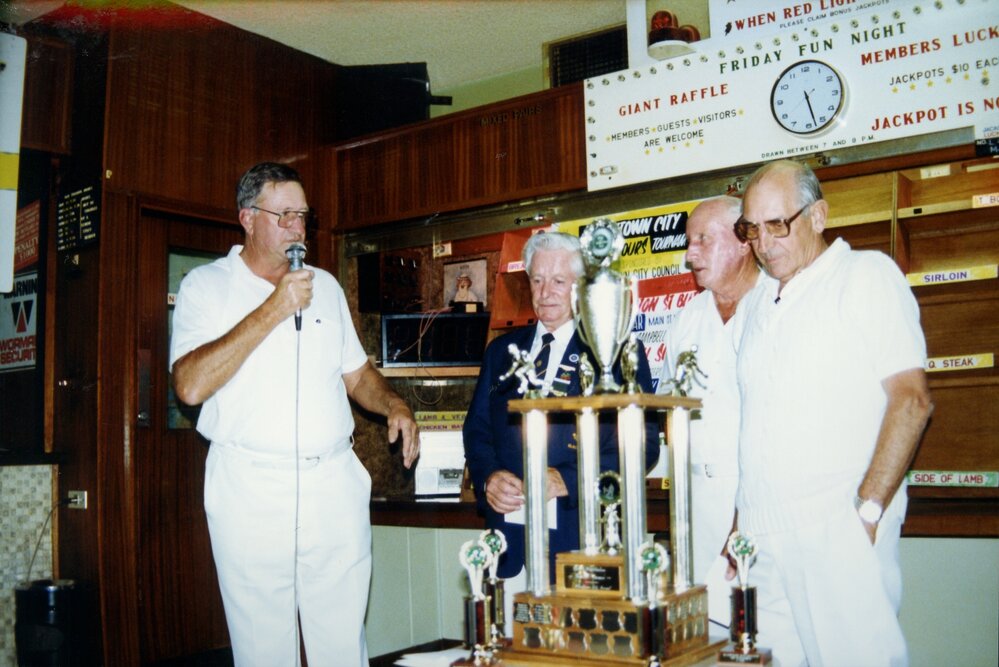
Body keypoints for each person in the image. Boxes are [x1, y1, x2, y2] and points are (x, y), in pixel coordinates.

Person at [170, 162, 419, 666]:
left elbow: (356, 373)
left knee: (342, 643)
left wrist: (392, 403)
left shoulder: (324, 285)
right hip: (251, 488)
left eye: (302, 216)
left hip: (333, 483)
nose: (297, 229)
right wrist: (274, 309)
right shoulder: (206, 286)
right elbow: (190, 386)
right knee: (265, 648)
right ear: (247, 218)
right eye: (283, 215)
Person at [730, 160, 932, 666]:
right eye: (750, 229)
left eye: (778, 224)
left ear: (818, 215)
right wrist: (740, 525)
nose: (762, 242)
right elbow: (757, 425)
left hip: (834, 527)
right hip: (760, 539)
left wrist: (866, 513)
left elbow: (912, 400)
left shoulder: (865, 276)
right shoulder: (757, 304)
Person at [462, 231, 660, 607]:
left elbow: (642, 445)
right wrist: (489, 476)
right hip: (509, 545)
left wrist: (568, 479)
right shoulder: (502, 351)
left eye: (558, 281)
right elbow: (478, 432)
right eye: (537, 280)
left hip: (580, 539)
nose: (544, 291)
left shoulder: (616, 354)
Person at [657, 196, 759, 628]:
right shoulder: (688, 318)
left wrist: (746, 520)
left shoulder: (776, 305)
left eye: (702, 240)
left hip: (757, 502)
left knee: (761, 636)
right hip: (694, 505)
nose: (689, 254)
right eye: (688, 241)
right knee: (702, 638)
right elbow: (666, 401)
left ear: (742, 243)